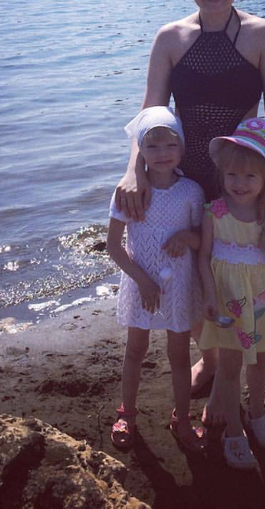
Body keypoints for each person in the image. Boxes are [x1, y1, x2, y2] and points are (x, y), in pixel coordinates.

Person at [114, 0, 265, 394]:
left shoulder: (262, 35)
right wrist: (134, 171)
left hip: (241, 178)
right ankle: (210, 359)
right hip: (181, 176)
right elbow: (150, 112)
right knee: (188, 270)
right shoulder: (170, 38)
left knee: (239, 273)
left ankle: (235, 376)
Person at [198, 118, 265, 469]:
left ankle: (257, 413)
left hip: (263, 298)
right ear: (222, 174)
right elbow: (203, 257)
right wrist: (208, 295)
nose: (239, 184)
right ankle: (234, 431)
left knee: (260, 358)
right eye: (232, 175)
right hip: (229, 300)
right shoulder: (214, 212)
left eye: (250, 176)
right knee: (230, 365)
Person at [107, 106, 207, 453]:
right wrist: (143, 281)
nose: (162, 153)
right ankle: (127, 414)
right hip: (141, 285)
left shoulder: (191, 191)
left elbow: (203, 240)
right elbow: (113, 246)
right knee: (135, 350)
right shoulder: (129, 192)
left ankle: (182, 418)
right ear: (140, 150)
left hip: (178, 285)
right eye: (152, 146)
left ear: (182, 147)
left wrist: (187, 237)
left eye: (170, 145)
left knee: (179, 354)